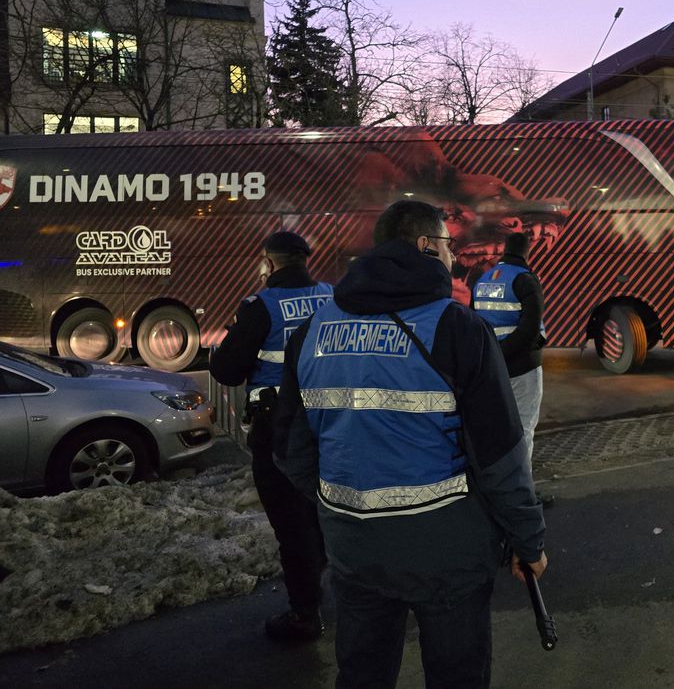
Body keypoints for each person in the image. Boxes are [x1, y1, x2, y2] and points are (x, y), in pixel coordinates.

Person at [273, 199, 547, 689]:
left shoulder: (313, 331)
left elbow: (291, 448)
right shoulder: (457, 327)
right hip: (448, 553)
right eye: (447, 244)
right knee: (457, 677)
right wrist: (527, 541)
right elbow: (500, 455)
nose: (453, 255)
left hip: (355, 549)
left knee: (362, 675)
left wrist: (339, 505)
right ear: (425, 246)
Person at [209, 231, 332, 643]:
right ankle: (334, 583)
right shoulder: (331, 296)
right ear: (305, 259)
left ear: (270, 261)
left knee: (291, 522)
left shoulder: (261, 306)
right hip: (328, 420)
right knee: (325, 509)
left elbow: (227, 371)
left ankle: (305, 614)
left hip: (278, 427)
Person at [471, 231, 546, 475]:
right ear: (527, 251)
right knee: (524, 427)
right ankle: (521, 487)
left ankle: (498, 484)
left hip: (492, 370)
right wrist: (505, 353)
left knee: (498, 429)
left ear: (505, 249)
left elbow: (475, 324)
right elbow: (530, 329)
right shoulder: (525, 280)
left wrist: (493, 356)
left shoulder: (483, 280)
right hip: (523, 369)